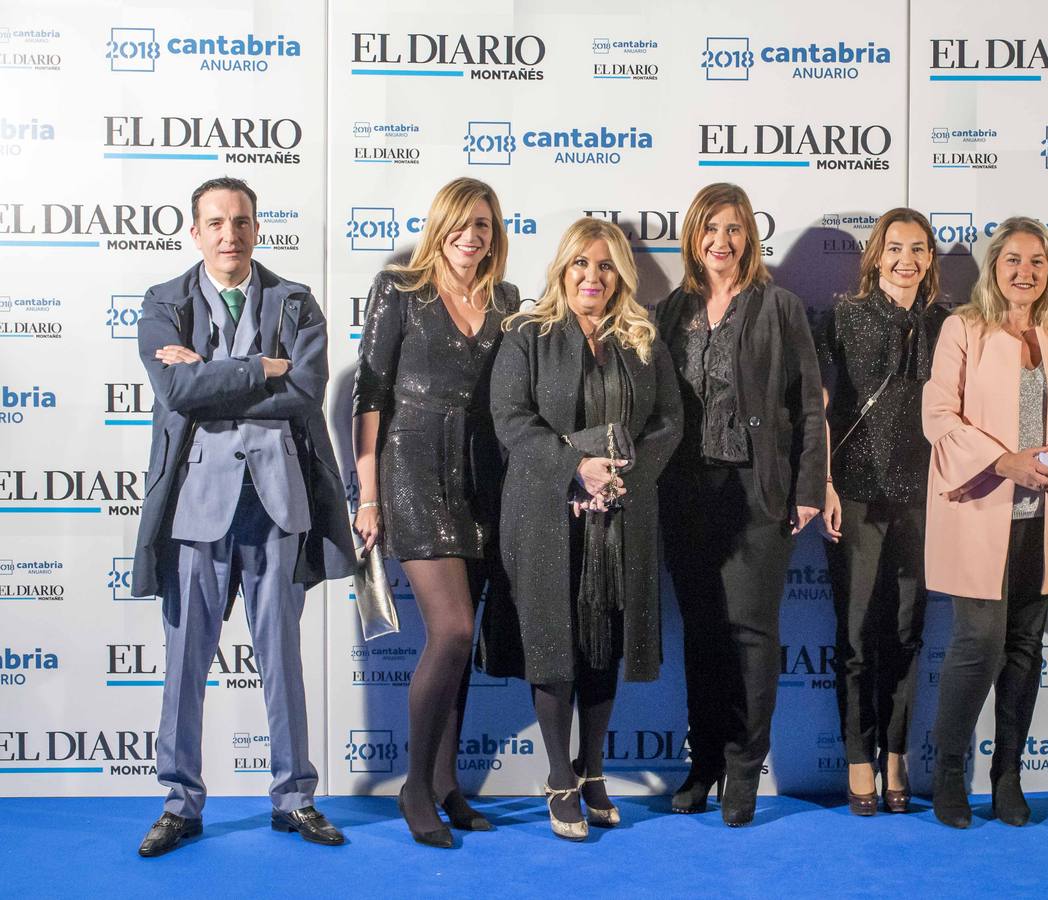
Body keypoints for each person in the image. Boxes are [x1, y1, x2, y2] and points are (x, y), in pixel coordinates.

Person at [132, 177, 355, 857]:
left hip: (278, 502)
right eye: (216, 222)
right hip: (196, 509)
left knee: (282, 661)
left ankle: (294, 798)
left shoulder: (295, 302)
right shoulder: (163, 302)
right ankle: (180, 802)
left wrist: (214, 380)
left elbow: (305, 393)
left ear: (258, 229)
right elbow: (176, 389)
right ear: (195, 232)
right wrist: (260, 366)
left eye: (242, 221)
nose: (230, 233)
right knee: (183, 664)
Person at [483, 218, 682, 841]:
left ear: (619, 273)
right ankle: (556, 774)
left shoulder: (643, 338)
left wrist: (620, 477)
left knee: (605, 639)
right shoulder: (526, 334)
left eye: (604, 266)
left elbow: (669, 422)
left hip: (621, 511)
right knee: (552, 639)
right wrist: (576, 469)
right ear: (562, 269)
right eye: (580, 265)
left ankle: (593, 769)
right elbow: (511, 420)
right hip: (546, 511)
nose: (591, 277)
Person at [351, 177, 519, 848]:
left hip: (485, 480)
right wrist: (367, 492)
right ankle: (414, 785)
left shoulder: (507, 300)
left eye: (483, 224)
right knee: (448, 632)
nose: (471, 235)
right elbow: (369, 391)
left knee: (464, 646)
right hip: (414, 473)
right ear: (440, 226)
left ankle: (447, 782)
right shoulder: (400, 290)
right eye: (461, 222)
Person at [656, 182, 827, 827]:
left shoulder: (779, 307)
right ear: (693, 237)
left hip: (759, 495)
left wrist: (809, 487)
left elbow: (809, 405)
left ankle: (744, 767)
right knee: (702, 636)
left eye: (733, 229)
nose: (722, 242)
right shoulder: (670, 311)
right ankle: (703, 765)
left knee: (753, 635)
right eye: (710, 229)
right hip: (688, 496)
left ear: (749, 237)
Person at [921, 216, 1048, 829]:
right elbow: (938, 416)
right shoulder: (962, 328)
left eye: (1038, 262)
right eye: (1013, 261)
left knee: (1023, 649)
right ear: (994, 268)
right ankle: (948, 774)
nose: (1025, 272)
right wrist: (1003, 461)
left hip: (1044, 519)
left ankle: (1008, 777)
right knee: (980, 643)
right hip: (978, 508)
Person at [816, 209, 949, 815]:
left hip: (926, 500)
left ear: (930, 260)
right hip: (856, 493)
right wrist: (823, 483)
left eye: (917, 249)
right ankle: (856, 758)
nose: (905, 260)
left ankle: (896, 755)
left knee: (906, 633)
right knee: (855, 636)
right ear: (875, 256)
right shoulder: (842, 318)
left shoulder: (950, 325)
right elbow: (816, 409)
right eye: (894, 248)